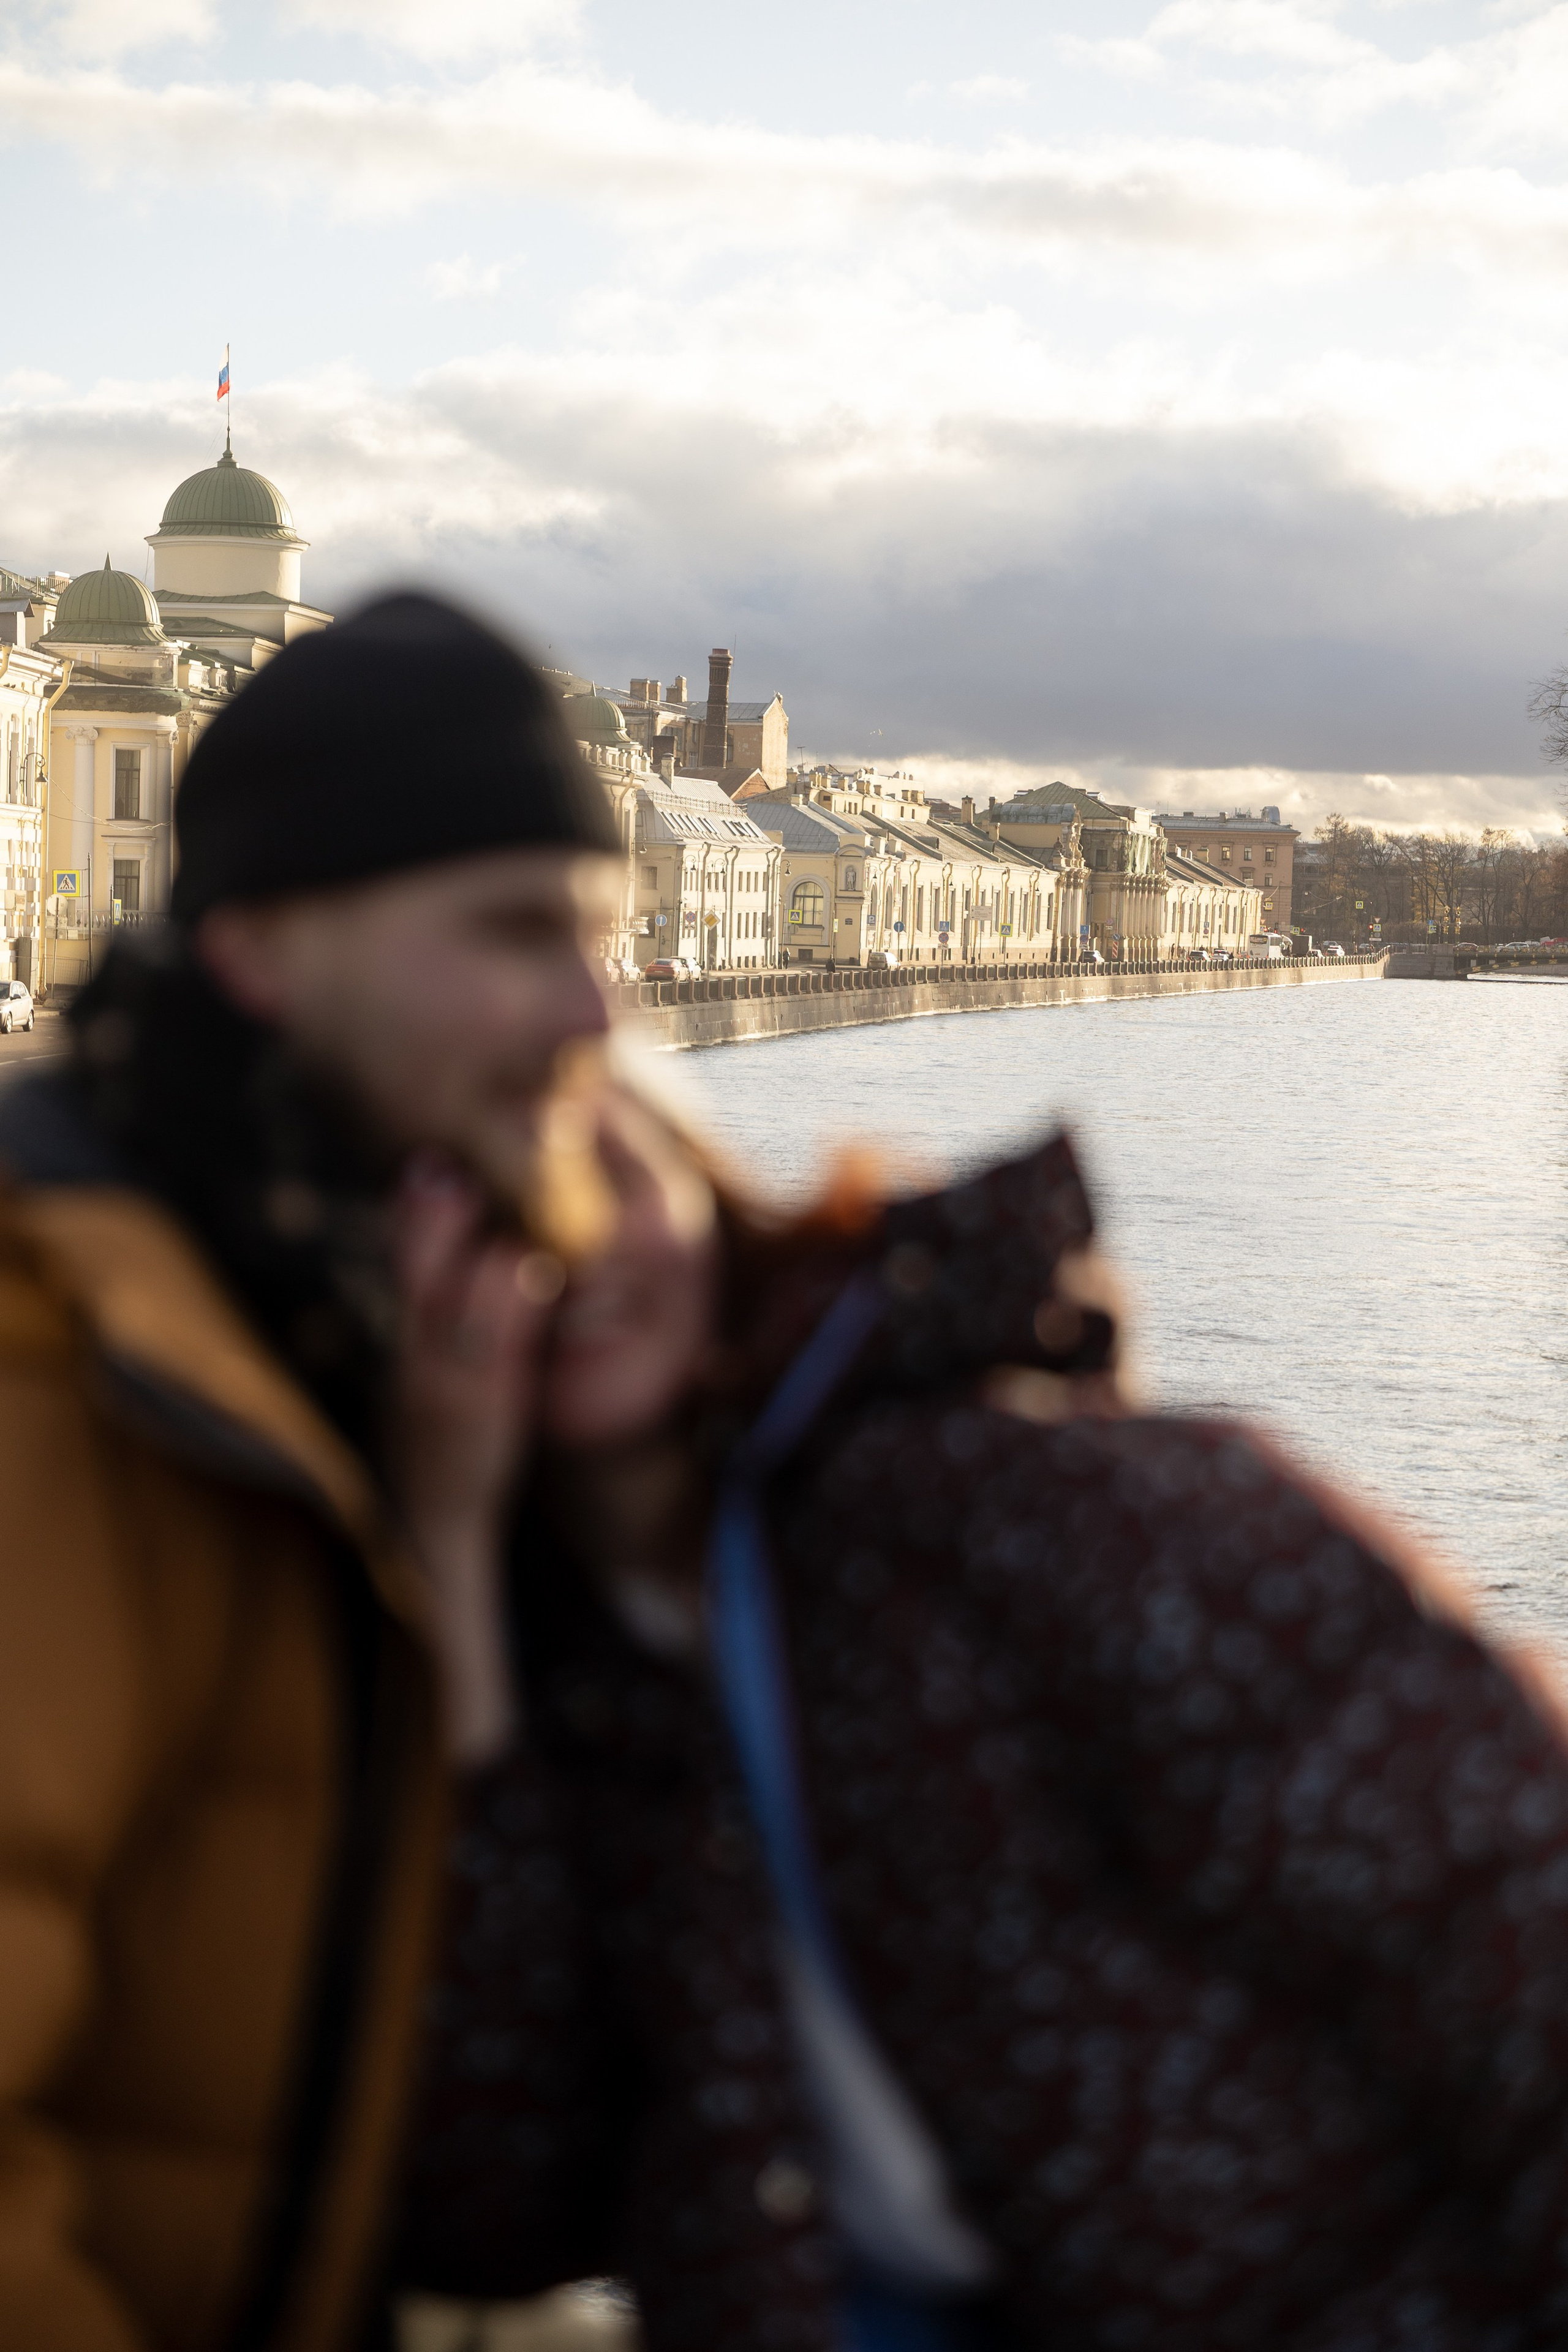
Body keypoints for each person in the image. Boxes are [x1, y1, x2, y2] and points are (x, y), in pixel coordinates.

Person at [392, 1084, 1568, 2352]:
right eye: (498, 1229)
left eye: (609, 1181)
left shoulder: (1009, 1500)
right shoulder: (567, 1699)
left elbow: (1509, 1910)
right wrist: (445, 1542)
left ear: (710, 1202)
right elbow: (495, 2201)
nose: (568, 1250)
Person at [0, 591, 622, 2351]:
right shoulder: (57, 1371)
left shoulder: (331, 1317)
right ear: (263, 953)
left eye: (597, 927)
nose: (600, 1003)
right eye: (514, 931)